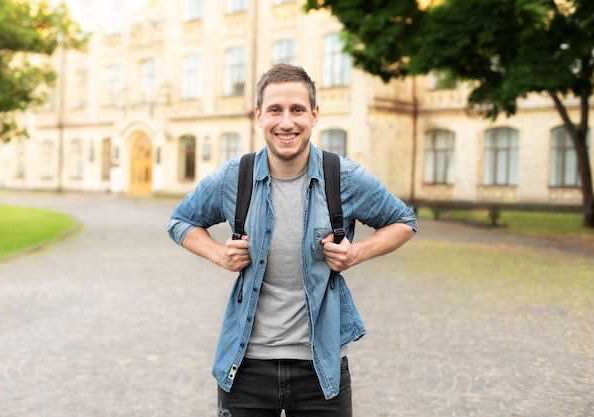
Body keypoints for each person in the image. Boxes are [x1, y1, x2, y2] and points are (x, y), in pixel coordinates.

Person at [167, 63, 417, 417]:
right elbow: (181, 220)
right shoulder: (234, 178)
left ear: (314, 115)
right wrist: (219, 255)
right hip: (246, 367)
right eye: (275, 110)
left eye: (297, 110)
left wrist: (356, 253)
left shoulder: (342, 177)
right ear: (258, 116)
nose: (287, 122)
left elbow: (404, 221)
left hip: (320, 369)